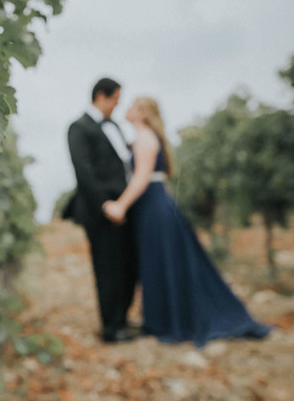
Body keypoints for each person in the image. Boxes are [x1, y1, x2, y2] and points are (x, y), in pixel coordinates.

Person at [102, 97, 272, 347]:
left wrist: (120, 205)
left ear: (142, 113)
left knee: (160, 262)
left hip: (151, 206)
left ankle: (165, 321)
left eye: (132, 106)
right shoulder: (147, 137)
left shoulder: (145, 137)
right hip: (155, 205)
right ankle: (164, 319)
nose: (127, 109)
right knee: (162, 261)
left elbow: (141, 178)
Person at [65, 78, 140, 343]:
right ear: (101, 96)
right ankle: (111, 328)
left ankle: (122, 318)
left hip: (124, 207)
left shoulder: (116, 126)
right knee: (108, 267)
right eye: (116, 99)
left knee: (127, 265)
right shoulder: (78, 127)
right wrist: (104, 204)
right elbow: (83, 172)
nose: (117, 105)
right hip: (101, 210)